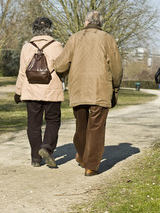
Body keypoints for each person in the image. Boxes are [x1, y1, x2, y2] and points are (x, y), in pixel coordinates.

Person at [54, 10, 123, 176]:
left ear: (86, 22)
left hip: (78, 88)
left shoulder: (75, 38)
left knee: (81, 126)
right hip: (101, 87)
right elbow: (116, 68)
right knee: (96, 128)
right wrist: (115, 86)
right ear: (100, 24)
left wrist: (61, 70)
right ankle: (90, 165)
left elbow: (60, 66)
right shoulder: (108, 39)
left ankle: (84, 157)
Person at [14, 17, 64, 167]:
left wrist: (18, 91)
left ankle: (36, 158)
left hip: (31, 91)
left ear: (34, 29)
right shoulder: (57, 46)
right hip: (51, 91)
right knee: (53, 121)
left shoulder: (26, 47)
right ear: (50, 28)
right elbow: (62, 69)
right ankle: (47, 147)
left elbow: (22, 72)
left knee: (33, 124)